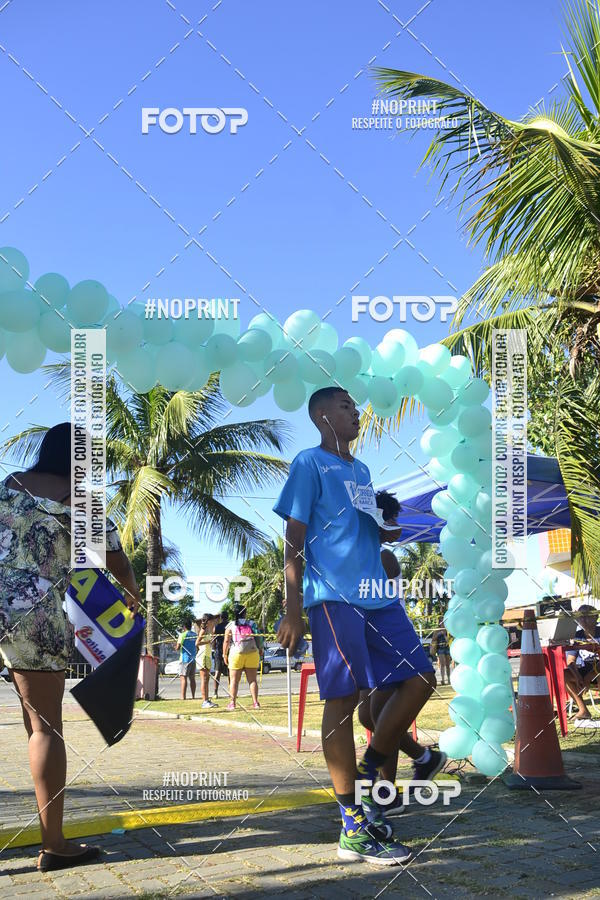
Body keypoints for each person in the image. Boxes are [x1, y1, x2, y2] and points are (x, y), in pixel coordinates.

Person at [274, 387, 437, 866]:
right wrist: (292, 607)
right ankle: (352, 826)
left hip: (377, 597)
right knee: (343, 701)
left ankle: (369, 770)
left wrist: (384, 538)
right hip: (333, 598)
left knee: (421, 678)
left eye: (355, 406)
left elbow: (363, 527)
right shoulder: (309, 463)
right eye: (345, 406)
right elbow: (293, 539)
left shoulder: (361, 471)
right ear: (323, 416)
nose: (355, 412)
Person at [0, 423, 141, 871]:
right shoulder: (78, 501)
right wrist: (132, 593)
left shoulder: (8, 486)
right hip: (37, 609)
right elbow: (115, 557)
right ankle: (54, 844)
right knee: (43, 729)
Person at [356, 490, 446, 823]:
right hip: (371, 636)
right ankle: (422, 758)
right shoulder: (364, 551)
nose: (396, 524)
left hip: (387, 631)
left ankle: (386, 791)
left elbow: (377, 591)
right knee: (371, 715)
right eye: (390, 516)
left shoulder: (383, 558)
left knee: (382, 713)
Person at [564, 604, 600, 728]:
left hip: (596, 672)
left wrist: (588, 677)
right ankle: (583, 710)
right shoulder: (576, 635)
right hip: (585, 671)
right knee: (565, 675)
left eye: (587, 616)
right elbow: (570, 661)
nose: (583, 620)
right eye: (580, 617)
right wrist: (578, 677)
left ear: (596, 617)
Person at [222, 604, 263, 710]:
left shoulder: (231, 625)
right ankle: (255, 703)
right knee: (253, 680)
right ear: (245, 613)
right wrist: (261, 649)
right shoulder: (252, 623)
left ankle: (232, 703)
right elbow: (259, 638)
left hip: (236, 653)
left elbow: (226, 641)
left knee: (234, 680)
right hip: (252, 653)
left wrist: (224, 654)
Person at [196, 614, 218, 708]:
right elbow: (197, 643)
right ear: (208, 621)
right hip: (203, 655)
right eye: (212, 621)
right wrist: (207, 642)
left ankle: (207, 700)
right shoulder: (203, 630)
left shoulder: (209, 630)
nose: (214, 622)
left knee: (207, 679)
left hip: (208, 655)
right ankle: (204, 701)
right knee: (204, 679)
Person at [175, 620, 197, 700]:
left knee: (183, 677)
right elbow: (197, 646)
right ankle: (193, 696)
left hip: (184, 659)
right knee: (192, 678)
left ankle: (183, 697)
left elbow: (177, 647)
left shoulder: (182, 635)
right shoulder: (195, 635)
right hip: (193, 659)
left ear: (184, 627)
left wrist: (174, 645)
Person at [212, 612, 228, 700]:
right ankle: (231, 691)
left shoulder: (216, 627)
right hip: (228, 650)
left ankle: (215, 692)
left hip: (219, 650)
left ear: (221, 618)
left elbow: (213, 641)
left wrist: (214, 649)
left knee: (217, 672)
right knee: (230, 672)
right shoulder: (230, 626)